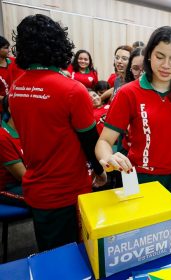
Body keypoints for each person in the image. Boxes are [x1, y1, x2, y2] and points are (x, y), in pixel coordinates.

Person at [95, 26, 171, 236]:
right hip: (142, 178)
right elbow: (104, 141)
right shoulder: (129, 93)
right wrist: (108, 158)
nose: (166, 65)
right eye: (160, 56)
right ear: (149, 55)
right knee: (143, 238)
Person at [9, 14, 106, 251]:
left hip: (37, 189)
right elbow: (89, 140)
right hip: (67, 191)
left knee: (50, 255)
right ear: (60, 44)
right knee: (74, 257)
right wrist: (101, 171)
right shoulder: (72, 89)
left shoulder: (16, 88)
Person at [0, 96, 26, 207]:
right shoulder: (2, 137)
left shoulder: (30, 131)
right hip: (8, 188)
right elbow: (22, 176)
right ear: (11, 109)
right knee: (52, 195)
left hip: (28, 181)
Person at [0, 36, 23, 114]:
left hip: (15, 106)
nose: (9, 50)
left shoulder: (14, 62)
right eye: (6, 48)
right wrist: (8, 99)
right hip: (2, 111)